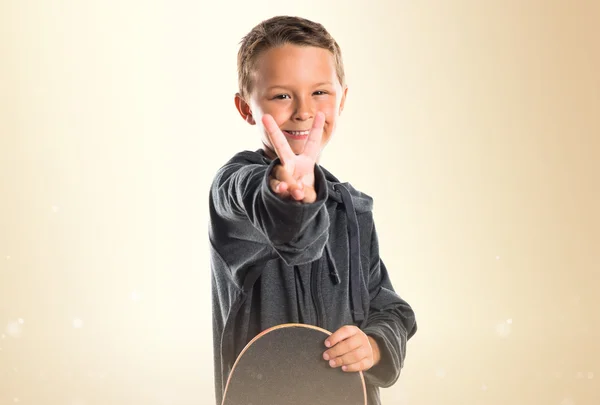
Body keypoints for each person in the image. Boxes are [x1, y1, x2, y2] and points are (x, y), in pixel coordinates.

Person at [209, 15, 417, 405]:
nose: (304, 111)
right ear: (246, 108)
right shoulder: (235, 190)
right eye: (282, 95)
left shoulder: (353, 209)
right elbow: (291, 235)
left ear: (342, 98)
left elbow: (390, 308)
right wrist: (287, 196)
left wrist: (373, 345)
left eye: (320, 92)